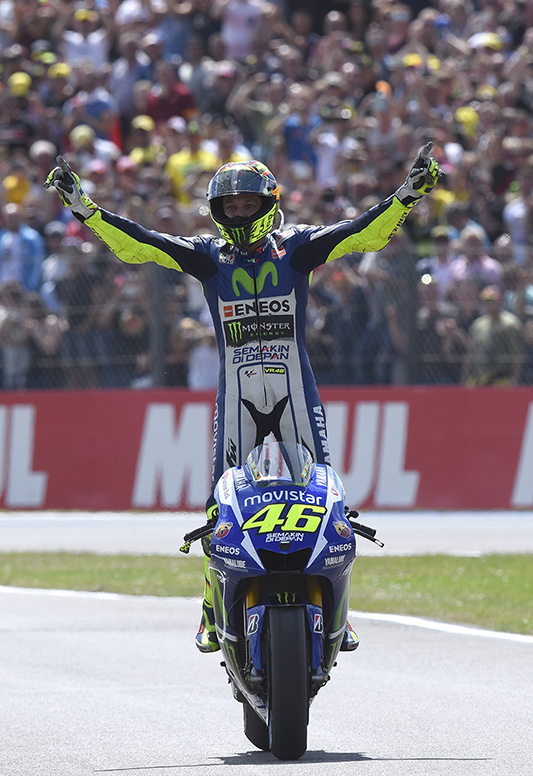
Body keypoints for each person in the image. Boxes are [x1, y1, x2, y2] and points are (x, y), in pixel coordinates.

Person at [45, 145, 441, 651]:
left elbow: (359, 233)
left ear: (268, 203)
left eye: (247, 204)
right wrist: (86, 209)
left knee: (328, 499)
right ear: (217, 213)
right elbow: (141, 244)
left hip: (295, 386)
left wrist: (406, 196)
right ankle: (212, 611)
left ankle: (338, 610)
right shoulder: (209, 257)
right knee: (219, 507)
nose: (238, 213)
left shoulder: (297, 247)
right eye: (229, 207)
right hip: (237, 393)